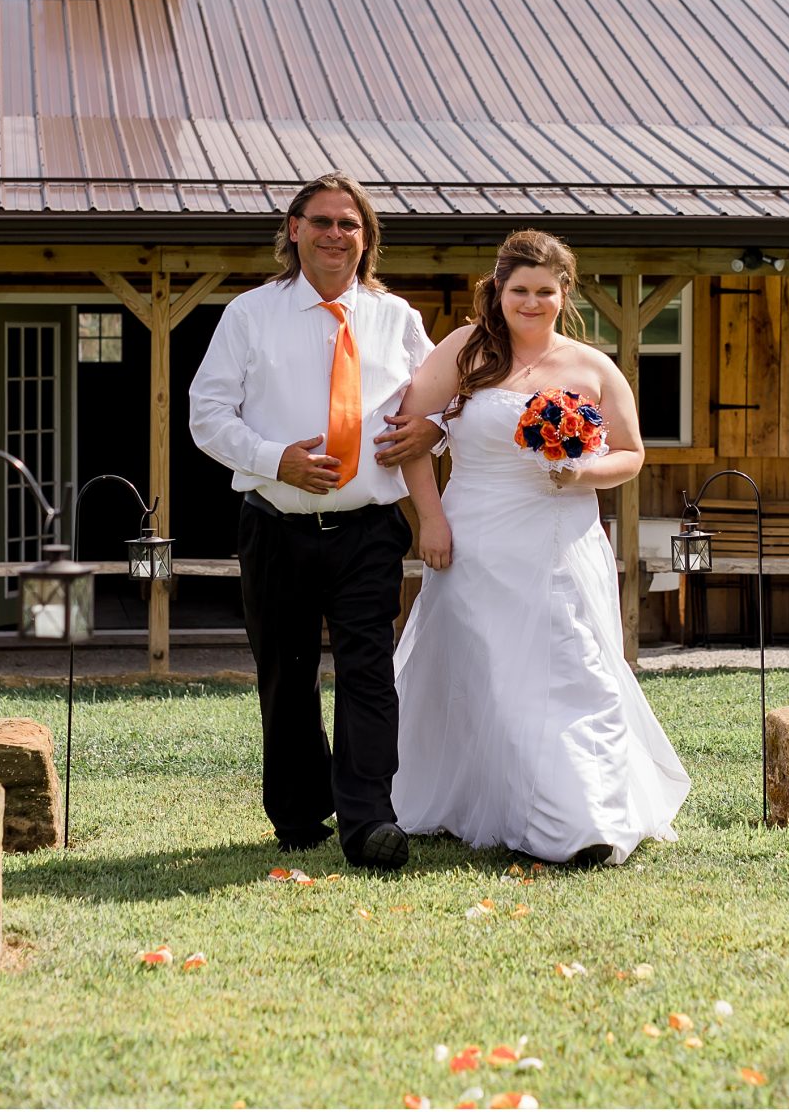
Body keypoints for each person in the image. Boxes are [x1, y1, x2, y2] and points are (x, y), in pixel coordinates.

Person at [392, 229, 690, 865]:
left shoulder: (592, 367)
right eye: (519, 290)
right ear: (498, 290)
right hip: (474, 537)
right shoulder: (464, 351)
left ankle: (586, 819)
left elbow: (632, 455)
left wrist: (581, 472)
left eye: (545, 292)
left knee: (576, 669)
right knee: (490, 677)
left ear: (565, 293)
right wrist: (431, 520)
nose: (531, 302)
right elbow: (408, 438)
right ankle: (493, 799)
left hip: (562, 537)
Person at [188, 174, 441, 870]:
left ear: (367, 238)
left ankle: (369, 821)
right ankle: (298, 815)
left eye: (350, 224)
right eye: (322, 221)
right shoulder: (248, 314)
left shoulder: (399, 320)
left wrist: (430, 433)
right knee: (286, 673)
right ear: (293, 229)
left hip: (368, 528)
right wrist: (276, 461)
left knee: (369, 672)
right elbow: (206, 415)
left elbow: (437, 410)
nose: (336, 235)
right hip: (275, 524)